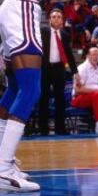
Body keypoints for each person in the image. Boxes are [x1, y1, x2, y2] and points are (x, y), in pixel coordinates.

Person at [0, 0, 98, 192]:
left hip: (12, 7)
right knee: (31, 88)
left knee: (16, 88)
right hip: (24, 9)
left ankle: (3, 160)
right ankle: (4, 167)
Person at [39, 8, 78, 136]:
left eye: (59, 17)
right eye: (54, 16)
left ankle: (60, 128)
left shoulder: (65, 34)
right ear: (49, 19)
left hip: (59, 68)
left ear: (62, 20)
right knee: (44, 98)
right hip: (44, 69)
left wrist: (75, 71)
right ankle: (43, 129)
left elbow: (69, 54)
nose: (56, 19)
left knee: (60, 98)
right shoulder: (42, 31)